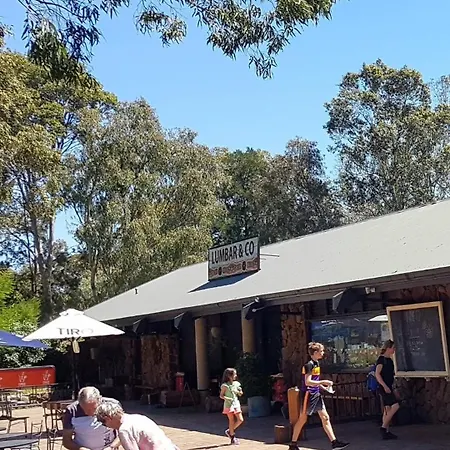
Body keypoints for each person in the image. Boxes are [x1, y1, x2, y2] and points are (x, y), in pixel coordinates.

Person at [289, 342, 349, 450]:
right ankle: (293, 444)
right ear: (315, 352)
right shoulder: (309, 365)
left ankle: (334, 442)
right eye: (321, 351)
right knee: (302, 419)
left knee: (325, 417)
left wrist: (323, 387)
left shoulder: (316, 363)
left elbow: (314, 380)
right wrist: (323, 382)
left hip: (316, 394)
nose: (323, 353)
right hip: (308, 395)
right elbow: (308, 382)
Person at [95, 400, 179, 450]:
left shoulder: (124, 430)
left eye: (103, 423)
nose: (107, 427)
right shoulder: (137, 417)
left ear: (108, 418)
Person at [375, 339, 399, 440]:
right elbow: (377, 374)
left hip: (389, 385)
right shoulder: (381, 360)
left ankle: (386, 432)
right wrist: (384, 386)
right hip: (384, 387)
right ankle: (383, 427)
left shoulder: (389, 360)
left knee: (387, 408)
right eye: (393, 348)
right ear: (388, 348)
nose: (394, 350)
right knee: (396, 405)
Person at [220, 367, 244, 445]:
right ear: (229, 376)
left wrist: (239, 392)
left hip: (236, 403)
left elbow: (240, 393)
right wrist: (227, 398)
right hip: (228, 405)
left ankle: (230, 431)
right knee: (231, 420)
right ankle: (232, 437)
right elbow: (221, 395)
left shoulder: (236, 384)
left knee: (240, 419)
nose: (236, 376)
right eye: (234, 374)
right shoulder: (225, 386)